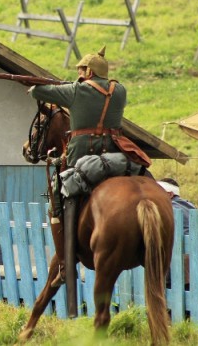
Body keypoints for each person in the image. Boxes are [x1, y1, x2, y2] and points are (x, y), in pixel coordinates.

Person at [29, 45, 126, 287]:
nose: (79, 74)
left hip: (82, 154)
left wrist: (50, 85)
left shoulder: (75, 91)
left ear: (89, 72)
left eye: (81, 69)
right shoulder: (120, 90)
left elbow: (36, 92)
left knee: (57, 193)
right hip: (115, 152)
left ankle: (64, 262)